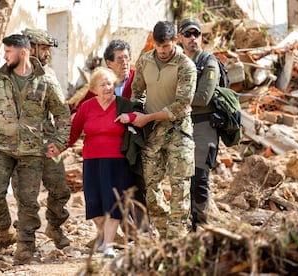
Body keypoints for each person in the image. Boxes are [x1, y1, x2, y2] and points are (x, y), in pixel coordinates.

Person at [0, 34, 71, 265]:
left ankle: (26, 246)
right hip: (3, 149)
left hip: (32, 151)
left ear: (23, 53)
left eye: (8, 52)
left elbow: (62, 114)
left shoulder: (46, 81)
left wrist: (59, 142)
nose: (4, 56)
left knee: (29, 201)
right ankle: (5, 234)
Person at [130, 20, 197, 239]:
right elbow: (137, 92)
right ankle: (169, 234)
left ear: (175, 40)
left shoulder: (186, 66)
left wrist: (147, 117)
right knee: (150, 191)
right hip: (152, 134)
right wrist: (135, 115)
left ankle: (177, 238)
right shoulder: (145, 61)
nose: (162, 52)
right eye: (158, 47)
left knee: (180, 187)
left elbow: (181, 105)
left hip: (179, 132)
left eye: (166, 47)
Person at [69, 67, 140, 258]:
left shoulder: (123, 104)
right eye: (103, 84)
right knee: (94, 203)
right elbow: (73, 132)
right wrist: (58, 148)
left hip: (117, 162)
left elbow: (140, 118)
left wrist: (130, 117)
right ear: (94, 88)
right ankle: (105, 236)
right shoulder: (87, 107)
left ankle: (107, 244)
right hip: (92, 161)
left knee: (114, 203)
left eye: (110, 83)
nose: (107, 88)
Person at [16, 27, 71, 249]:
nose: (47, 53)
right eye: (44, 48)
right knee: (26, 198)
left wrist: (59, 142)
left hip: (46, 144)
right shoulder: (8, 75)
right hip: (19, 147)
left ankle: (55, 227)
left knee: (60, 190)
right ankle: (26, 243)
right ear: (29, 48)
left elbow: (62, 113)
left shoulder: (49, 75)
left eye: (48, 49)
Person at [178, 18, 220, 232]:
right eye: (187, 34)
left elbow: (203, 97)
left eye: (196, 34)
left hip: (204, 128)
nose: (192, 38)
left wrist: (175, 98)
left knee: (200, 180)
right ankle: (187, 227)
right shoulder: (177, 63)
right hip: (182, 126)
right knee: (183, 181)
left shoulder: (208, 62)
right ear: (180, 39)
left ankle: (201, 228)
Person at [71, 39, 135, 114]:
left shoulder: (138, 78)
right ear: (109, 63)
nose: (125, 63)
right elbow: (79, 110)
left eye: (127, 58)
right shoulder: (101, 80)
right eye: (120, 59)